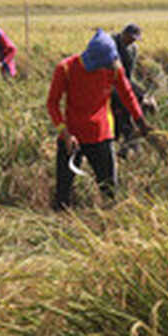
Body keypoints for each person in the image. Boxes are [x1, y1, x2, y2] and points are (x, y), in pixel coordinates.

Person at [46, 29, 150, 211]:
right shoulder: (66, 68)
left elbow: (127, 95)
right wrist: (65, 133)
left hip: (101, 134)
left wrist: (140, 121)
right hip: (72, 136)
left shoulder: (113, 69)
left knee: (109, 191)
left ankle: (109, 222)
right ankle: (60, 218)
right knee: (63, 192)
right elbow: (52, 103)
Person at [111, 23, 148, 155]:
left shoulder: (133, 49)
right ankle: (124, 145)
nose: (132, 41)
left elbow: (128, 75)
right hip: (109, 84)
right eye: (131, 38)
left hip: (123, 83)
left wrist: (142, 94)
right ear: (124, 34)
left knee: (131, 109)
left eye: (135, 39)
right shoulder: (111, 45)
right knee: (119, 115)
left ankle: (127, 147)